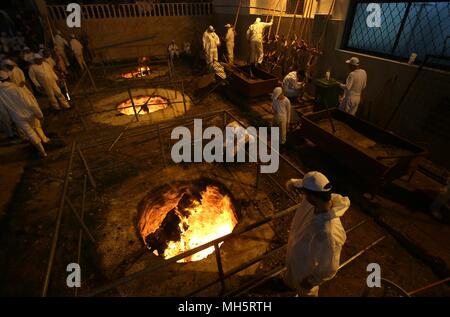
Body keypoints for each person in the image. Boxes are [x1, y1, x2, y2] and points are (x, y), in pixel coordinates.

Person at [285, 171, 350, 297]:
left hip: (304, 271)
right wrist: (292, 184)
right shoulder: (319, 200)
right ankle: (288, 285)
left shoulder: (329, 233)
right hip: (295, 258)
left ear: (312, 197)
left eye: (304, 193)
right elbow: (304, 184)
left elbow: (329, 267)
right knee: (290, 278)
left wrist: (310, 281)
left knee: (305, 292)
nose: (302, 195)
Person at [0, 70, 50, 157]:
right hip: (29, 113)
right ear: (8, 78)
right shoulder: (17, 88)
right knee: (36, 126)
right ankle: (44, 140)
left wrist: (8, 122)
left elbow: (3, 110)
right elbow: (29, 102)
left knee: (30, 133)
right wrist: (39, 114)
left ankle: (43, 152)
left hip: (17, 117)